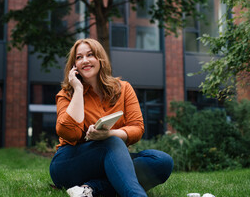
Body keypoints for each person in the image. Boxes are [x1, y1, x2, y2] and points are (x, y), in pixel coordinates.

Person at [49, 39, 173, 197]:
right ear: (74, 65)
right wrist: (78, 89)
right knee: (111, 143)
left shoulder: (124, 89)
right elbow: (68, 133)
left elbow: (137, 129)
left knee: (162, 161)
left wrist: (108, 134)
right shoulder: (66, 95)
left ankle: (91, 189)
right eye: (79, 57)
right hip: (69, 163)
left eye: (90, 55)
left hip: (112, 156)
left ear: (100, 58)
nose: (85, 60)